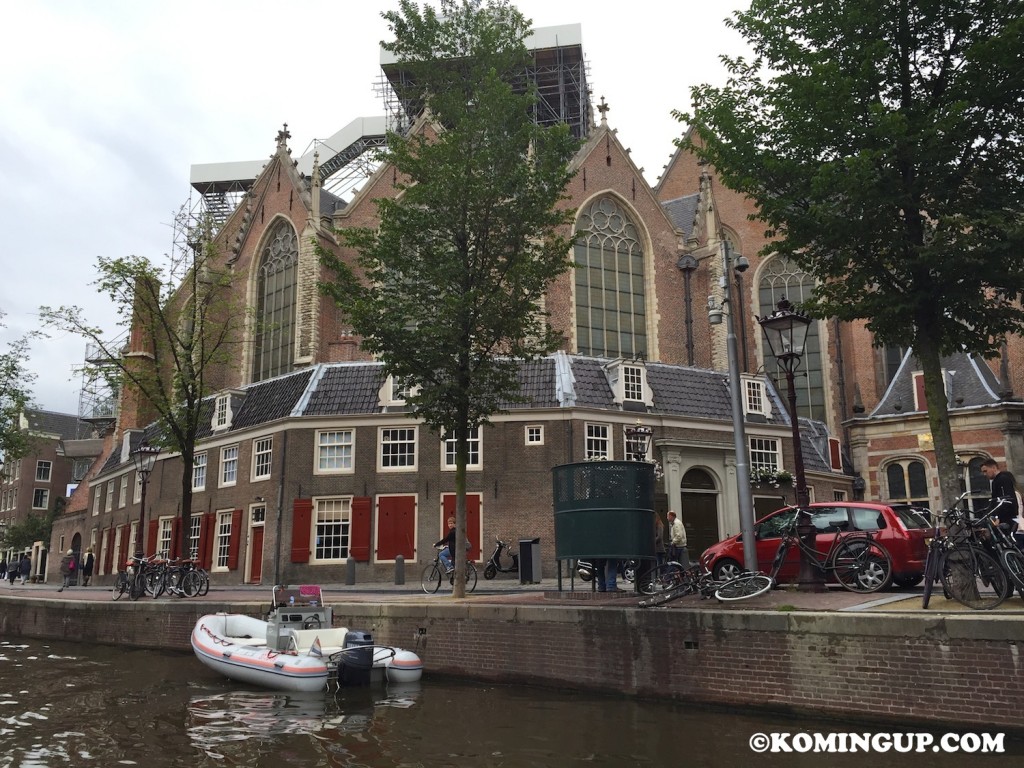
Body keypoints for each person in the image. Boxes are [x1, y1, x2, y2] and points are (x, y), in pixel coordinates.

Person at [980, 458, 1019, 529]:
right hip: (1002, 516)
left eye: (986, 471)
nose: (984, 474)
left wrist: (998, 517)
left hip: (1007, 517)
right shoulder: (995, 481)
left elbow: (1006, 500)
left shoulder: (1003, 479)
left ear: (994, 468)